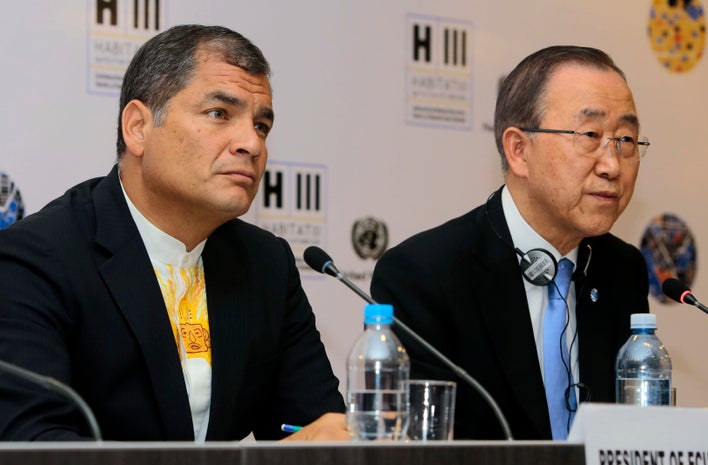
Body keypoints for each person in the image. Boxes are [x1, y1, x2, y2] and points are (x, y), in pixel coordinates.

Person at [0, 24, 347, 442]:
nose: (251, 144)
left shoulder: (266, 264)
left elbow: (319, 429)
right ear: (138, 128)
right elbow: (38, 452)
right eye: (220, 114)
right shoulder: (36, 259)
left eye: (261, 126)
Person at [370, 46, 650, 440]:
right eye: (590, 135)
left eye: (626, 139)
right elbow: (420, 453)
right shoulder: (425, 275)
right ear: (519, 150)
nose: (613, 165)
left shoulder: (624, 270)